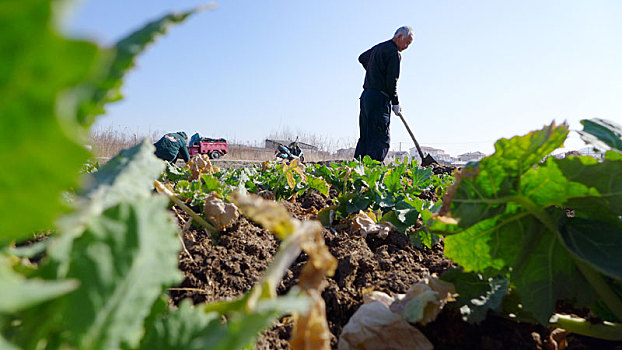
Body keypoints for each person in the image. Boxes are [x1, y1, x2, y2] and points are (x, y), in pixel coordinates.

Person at [354, 26, 414, 162]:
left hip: (366, 97)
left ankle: (356, 170)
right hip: (380, 99)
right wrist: (396, 102)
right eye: (407, 42)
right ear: (399, 37)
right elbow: (392, 81)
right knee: (380, 137)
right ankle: (373, 171)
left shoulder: (379, 48)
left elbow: (362, 58)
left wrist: (374, 71)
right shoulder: (394, 53)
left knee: (366, 135)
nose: (406, 47)